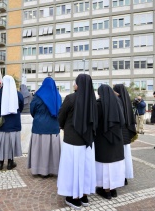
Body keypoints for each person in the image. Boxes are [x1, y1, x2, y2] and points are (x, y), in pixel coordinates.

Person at [57, 74, 98, 209]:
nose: (74, 84)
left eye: (75, 82)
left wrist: (63, 126)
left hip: (72, 141)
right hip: (88, 142)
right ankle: (84, 196)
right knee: (85, 169)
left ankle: (73, 198)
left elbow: (61, 117)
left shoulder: (71, 98)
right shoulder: (94, 100)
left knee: (72, 169)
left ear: (78, 84)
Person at [95, 84, 125, 199]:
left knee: (104, 165)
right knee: (114, 164)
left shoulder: (98, 104)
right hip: (117, 138)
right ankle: (113, 189)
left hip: (103, 140)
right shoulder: (118, 102)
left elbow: (95, 123)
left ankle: (106, 190)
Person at [27, 77, 62, 177]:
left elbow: (32, 110)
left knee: (39, 150)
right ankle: (52, 169)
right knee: (52, 150)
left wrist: (38, 117)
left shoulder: (37, 96)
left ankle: (38, 169)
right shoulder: (57, 96)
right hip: (53, 127)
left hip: (39, 127)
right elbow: (60, 111)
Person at [0, 75, 24, 170]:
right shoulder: (18, 95)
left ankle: (0, 163)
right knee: (11, 144)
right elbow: (21, 107)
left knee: (0, 144)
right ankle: (10, 162)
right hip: (13, 124)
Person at [113, 84, 136, 186]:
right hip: (126, 133)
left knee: (119, 156)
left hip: (121, 133)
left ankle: (120, 177)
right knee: (126, 156)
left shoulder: (116, 101)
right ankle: (125, 176)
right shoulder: (126, 101)